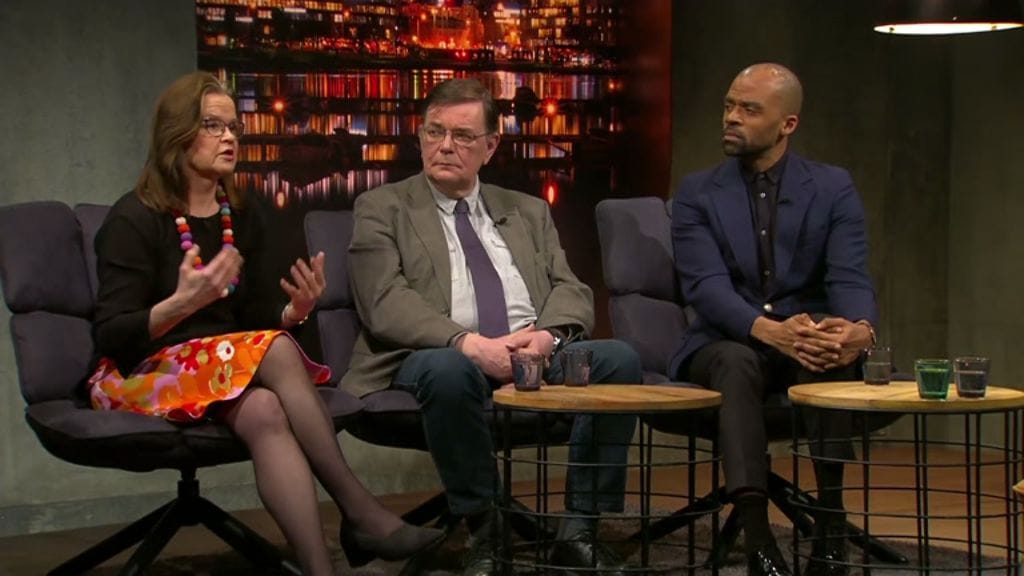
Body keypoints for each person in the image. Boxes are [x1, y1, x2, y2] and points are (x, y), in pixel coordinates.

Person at [89, 71, 443, 576]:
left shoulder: (241, 213)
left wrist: (291, 313)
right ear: (176, 134)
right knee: (274, 350)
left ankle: (319, 569)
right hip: (141, 374)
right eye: (213, 125)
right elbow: (112, 333)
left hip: (216, 374)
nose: (229, 137)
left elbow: (249, 317)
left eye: (234, 127)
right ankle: (360, 511)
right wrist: (181, 305)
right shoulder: (134, 218)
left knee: (265, 409)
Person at [346, 78, 642, 576]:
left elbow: (570, 288)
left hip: (532, 356)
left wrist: (546, 338)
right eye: (434, 132)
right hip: (433, 354)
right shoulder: (383, 207)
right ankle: (485, 528)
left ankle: (578, 530)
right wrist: (467, 343)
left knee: (618, 361)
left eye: (462, 136)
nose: (445, 146)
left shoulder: (526, 210)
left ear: (490, 146)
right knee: (448, 369)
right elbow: (383, 301)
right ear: (420, 136)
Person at [669, 63, 877, 576]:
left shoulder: (832, 187)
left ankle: (830, 524)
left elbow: (849, 274)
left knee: (828, 350)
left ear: (788, 124)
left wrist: (857, 329)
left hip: (803, 337)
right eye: (728, 106)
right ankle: (758, 535)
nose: (731, 118)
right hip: (726, 340)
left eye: (749, 109)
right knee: (737, 362)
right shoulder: (698, 193)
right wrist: (769, 331)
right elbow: (705, 287)